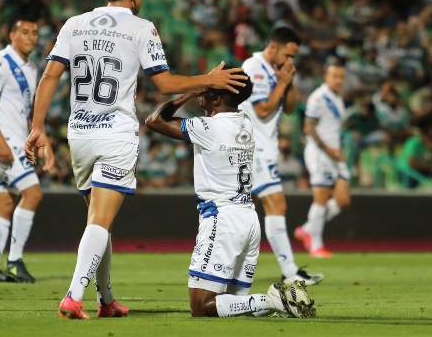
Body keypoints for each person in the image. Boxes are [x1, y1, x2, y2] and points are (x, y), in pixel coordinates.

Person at [25, 0, 248, 319]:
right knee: (99, 221)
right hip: (115, 134)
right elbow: (165, 84)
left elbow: (50, 76)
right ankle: (73, 296)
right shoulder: (141, 28)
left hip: (79, 134)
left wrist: (36, 127)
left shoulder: (74, 24)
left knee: (99, 220)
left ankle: (107, 299)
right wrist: (207, 79)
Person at [144, 72, 315, 319]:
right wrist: (211, 85)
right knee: (235, 306)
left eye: (210, 88)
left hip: (222, 220)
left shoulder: (209, 127)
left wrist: (192, 89)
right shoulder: (244, 121)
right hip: (247, 219)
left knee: (201, 306)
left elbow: (154, 120)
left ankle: (275, 299)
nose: (204, 90)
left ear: (218, 97)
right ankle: (274, 303)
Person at [239, 25, 323, 285]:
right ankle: (290, 273)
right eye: (288, 55)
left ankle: (240, 272)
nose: (290, 61)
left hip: (265, 146)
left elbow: (288, 108)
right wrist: (283, 82)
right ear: (273, 47)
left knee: (250, 208)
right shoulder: (254, 68)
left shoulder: (276, 71)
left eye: (294, 57)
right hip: (253, 145)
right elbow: (263, 110)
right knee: (275, 204)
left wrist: (289, 81)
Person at [0, 17, 42, 283]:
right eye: (25, 32)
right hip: (2, 141)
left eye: (35, 33)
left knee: (5, 202)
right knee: (33, 193)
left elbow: (26, 113)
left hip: (16, 140)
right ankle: (15, 260)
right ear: (13, 35)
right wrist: (1, 143)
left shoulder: (31, 67)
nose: (31, 37)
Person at [295, 62, 351, 258]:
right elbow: (308, 128)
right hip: (320, 153)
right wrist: (329, 150)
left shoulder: (338, 98)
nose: (338, 80)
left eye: (341, 77)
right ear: (326, 77)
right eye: (334, 76)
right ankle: (316, 245)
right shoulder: (318, 97)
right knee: (321, 198)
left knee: (343, 199)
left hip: (335, 154)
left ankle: (307, 228)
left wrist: (338, 150)